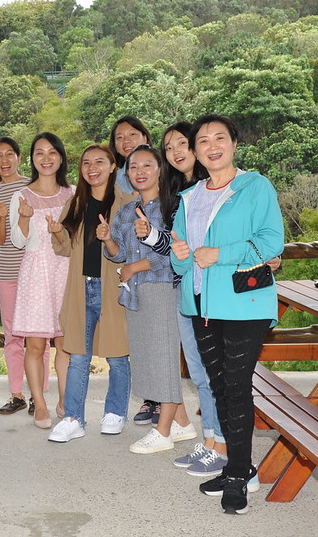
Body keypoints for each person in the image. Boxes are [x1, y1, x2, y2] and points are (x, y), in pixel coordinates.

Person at [171, 114, 284, 515]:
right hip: (200, 305)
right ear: (195, 151)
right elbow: (181, 262)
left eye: (220, 137)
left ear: (234, 144)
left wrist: (221, 254)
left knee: (235, 388)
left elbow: (272, 242)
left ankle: (238, 474)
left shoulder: (254, 186)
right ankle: (240, 465)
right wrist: (180, 254)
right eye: (203, 140)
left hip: (243, 303)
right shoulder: (189, 196)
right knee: (220, 390)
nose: (212, 145)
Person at [137, 122, 225, 475]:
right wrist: (150, 235)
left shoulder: (218, 187)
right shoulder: (178, 195)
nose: (175, 151)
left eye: (182, 143)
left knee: (217, 374)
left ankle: (223, 445)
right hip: (186, 290)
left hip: (217, 293)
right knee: (201, 375)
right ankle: (210, 443)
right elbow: (176, 251)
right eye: (168, 146)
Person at [102, 145, 198, 455]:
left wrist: (136, 266)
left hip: (163, 289)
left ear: (159, 169)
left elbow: (178, 251)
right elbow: (117, 254)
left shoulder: (173, 206)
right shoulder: (127, 211)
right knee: (150, 359)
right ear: (127, 174)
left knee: (164, 359)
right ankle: (182, 422)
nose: (139, 171)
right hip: (137, 293)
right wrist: (107, 239)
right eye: (133, 167)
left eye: (147, 165)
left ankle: (164, 430)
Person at [48, 144, 132, 443]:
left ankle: (115, 412)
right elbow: (66, 248)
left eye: (100, 161)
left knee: (118, 354)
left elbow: (127, 253)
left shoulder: (128, 203)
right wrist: (58, 230)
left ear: (112, 166)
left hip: (113, 288)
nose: (92, 167)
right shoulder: (76, 203)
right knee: (77, 356)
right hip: (82, 287)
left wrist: (109, 238)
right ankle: (73, 418)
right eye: (86, 163)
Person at [9, 133, 73, 428]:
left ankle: (64, 401)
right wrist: (24, 217)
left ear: (60, 157)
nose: (46, 158)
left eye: (52, 152)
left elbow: (76, 240)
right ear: (32, 159)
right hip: (36, 274)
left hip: (66, 272)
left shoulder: (72, 193)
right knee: (35, 346)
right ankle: (41, 404)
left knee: (66, 344)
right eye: (39, 153)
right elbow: (18, 241)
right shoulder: (21, 195)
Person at [109, 116, 160, 425]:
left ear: (145, 136)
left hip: (157, 267)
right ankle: (148, 398)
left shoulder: (158, 171)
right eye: (118, 137)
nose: (125, 140)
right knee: (138, 338)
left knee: (159, 339)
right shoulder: (115, 176)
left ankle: (163, 402)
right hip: (123, 258)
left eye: (132, 134)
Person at [0, 137, 36, 416]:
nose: (4, 160)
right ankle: (16, 394)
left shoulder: (32, 186)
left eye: (9, 154)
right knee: (12, 335)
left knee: (37, 336)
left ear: (19, 157)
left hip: (33, 271)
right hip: (5, 271)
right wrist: (1, 216)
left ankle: (36, 395)